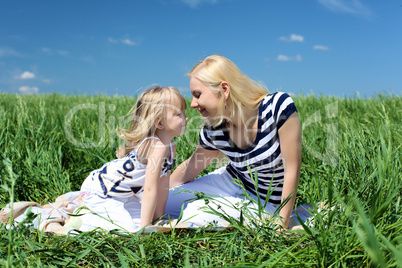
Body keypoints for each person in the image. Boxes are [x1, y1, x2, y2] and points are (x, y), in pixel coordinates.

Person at [165, 55, 302, 229]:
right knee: (162, 202)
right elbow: (189, 169)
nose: (193, 104)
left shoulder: (277, 108)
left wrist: (282, 222)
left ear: (224, 89)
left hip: (265, 202)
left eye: (198, 95)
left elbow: (292, 169)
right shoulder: (215, 128)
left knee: (196, 213)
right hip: (230, 181)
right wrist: (151, 189)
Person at [79, 85, 188, 232]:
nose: (186, 118)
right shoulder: (156, 147)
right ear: (159, 122)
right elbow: (150, 189)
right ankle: (85, 219)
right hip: (100, 191)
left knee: (140, 222)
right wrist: (146, 228)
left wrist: (158, 219)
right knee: (129, 229)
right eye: (178, 114)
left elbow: (163, 186)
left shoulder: (170, 147)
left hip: (124, 195)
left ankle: (106, 215)